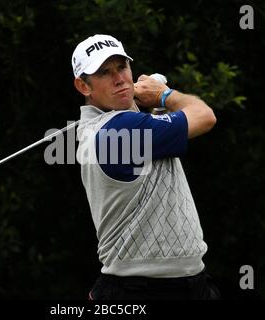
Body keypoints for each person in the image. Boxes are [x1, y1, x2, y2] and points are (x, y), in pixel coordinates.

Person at [72, 34, 220, 300]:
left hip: (186, 282)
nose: (119, 79)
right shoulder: (118, 131)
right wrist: (162, 95)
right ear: (84, 86)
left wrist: (144, 102)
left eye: (122, 67)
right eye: (105, 73)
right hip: (146, 289)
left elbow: (139, 118)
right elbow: (205, 116)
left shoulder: (108, 126)